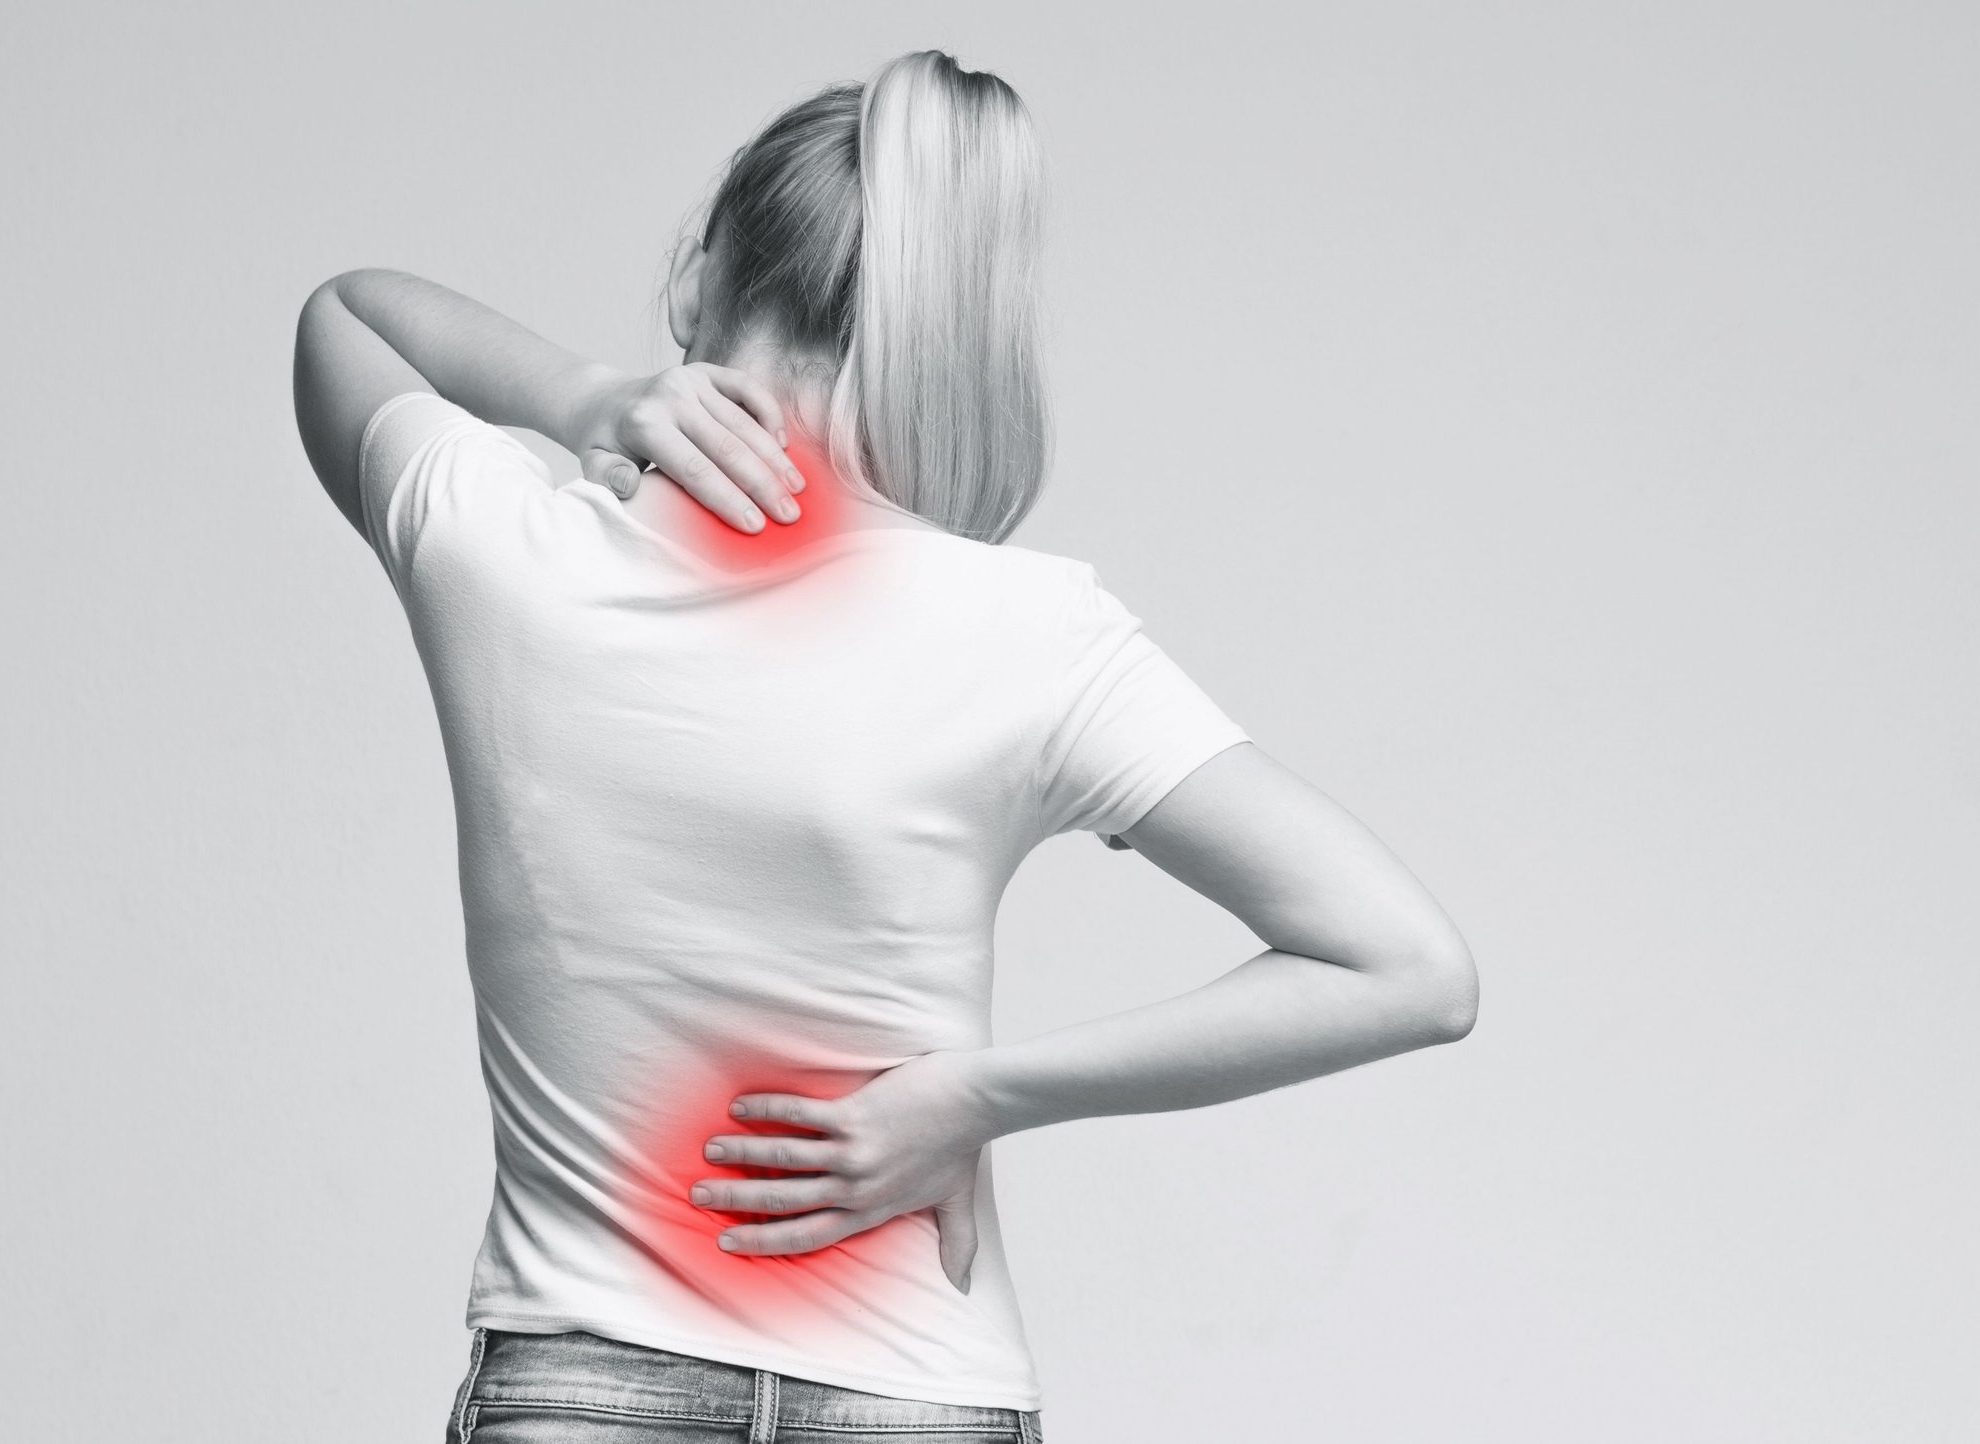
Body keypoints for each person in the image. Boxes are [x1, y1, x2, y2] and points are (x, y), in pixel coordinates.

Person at [293, 49, 1477, 1444]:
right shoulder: (1027, 628)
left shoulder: (506, 553)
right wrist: (968, 1102)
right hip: (914, 1393)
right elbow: (1410, 968)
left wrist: (578, 397)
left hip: (580, 1391)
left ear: (700, 276)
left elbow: (345, 317)